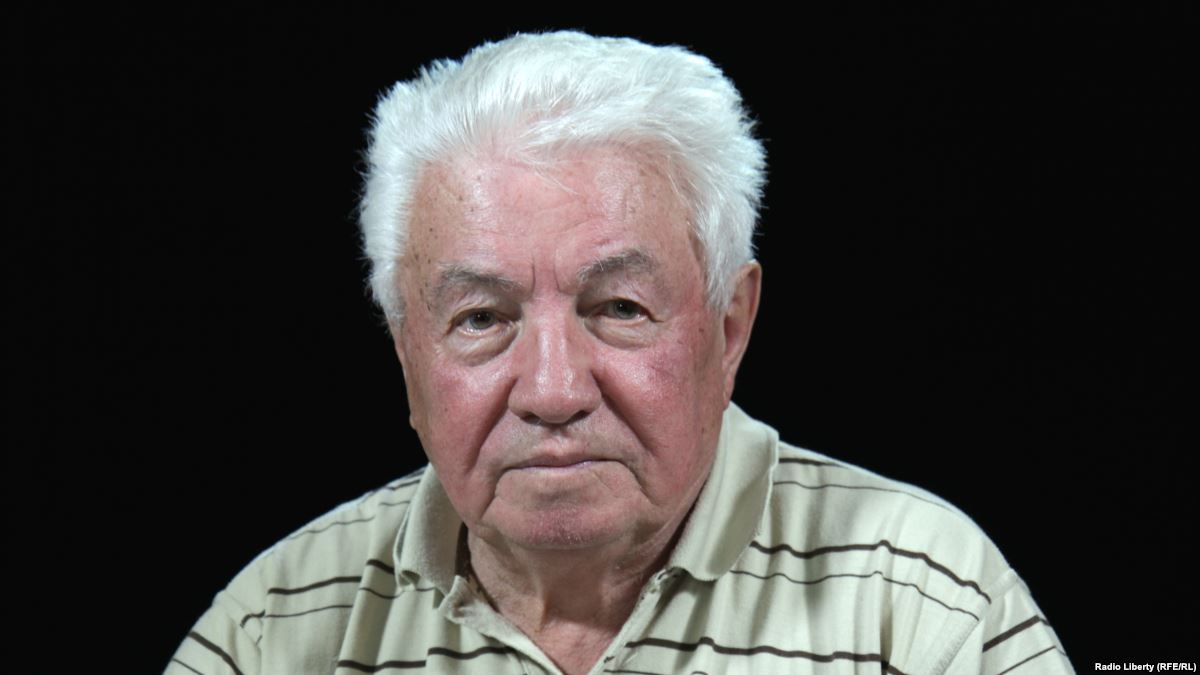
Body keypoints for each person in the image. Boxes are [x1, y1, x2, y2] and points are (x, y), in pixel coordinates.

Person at [166, 32, 1072, 675]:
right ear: (408, 352)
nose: (552, 390)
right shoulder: (271, 631)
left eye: (619, 308)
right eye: (481, 318)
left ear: (728, 328)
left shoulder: (923, 604)